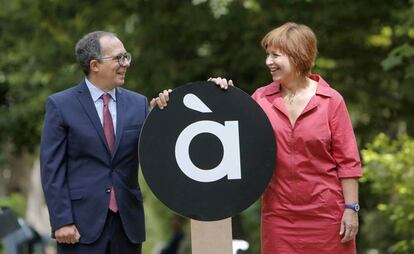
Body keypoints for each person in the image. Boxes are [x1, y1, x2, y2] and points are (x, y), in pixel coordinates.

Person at [154, 22, 362, 253]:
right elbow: (229, 132)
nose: (268, 62)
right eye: (267, 55)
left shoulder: (331, 101)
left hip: (328, 217)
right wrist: (220, 95)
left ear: (298, 55)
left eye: (276, 55)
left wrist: (351, 209)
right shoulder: (260, 99)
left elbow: (348, 162)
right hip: (279, 218)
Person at [40, 31, 159, 254]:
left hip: (127, 227)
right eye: (118, 58)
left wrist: (167, 109)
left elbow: (159, 147)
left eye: (126, 57)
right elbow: (51, 169)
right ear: (95, 65)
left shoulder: (139, 104)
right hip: (78, 229)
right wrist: (61, 220)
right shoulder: (60, 105)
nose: (126, 64)